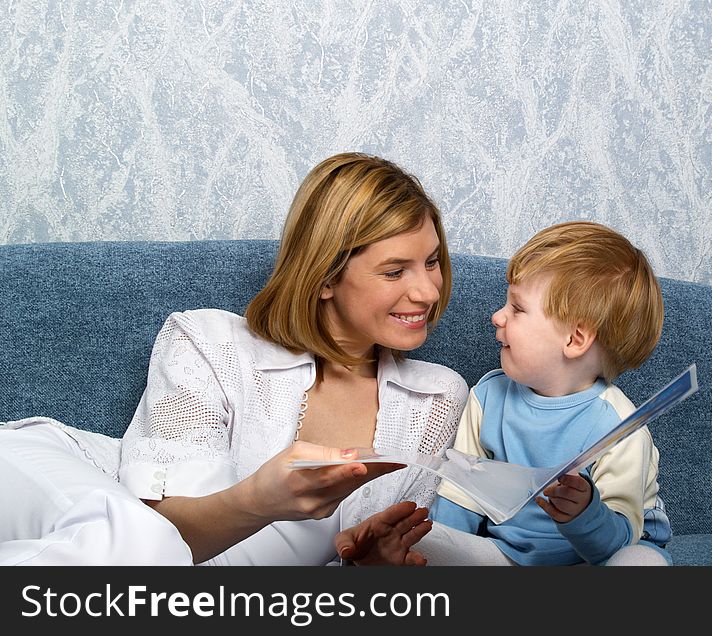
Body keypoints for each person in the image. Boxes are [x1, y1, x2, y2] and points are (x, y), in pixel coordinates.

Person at [0, 152, 468, 566]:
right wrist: (261, 500)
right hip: (45, 479)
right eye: (394, 270)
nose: (428, 290)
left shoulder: (437, 400)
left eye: (431, 262)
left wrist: (369, 565)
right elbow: (168, 534)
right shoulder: (208, 342)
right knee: (144, 544)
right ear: (325, 277)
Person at [405, 220, 672, 566]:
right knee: (420, 540)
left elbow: (616, 543)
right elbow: (461, 496)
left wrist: (584, 513)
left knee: (640, 562)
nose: (497, 316)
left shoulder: (621, 427)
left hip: (596, 561)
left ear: (574, 340)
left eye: (516, 308)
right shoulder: (487, 397)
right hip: (508, 556)